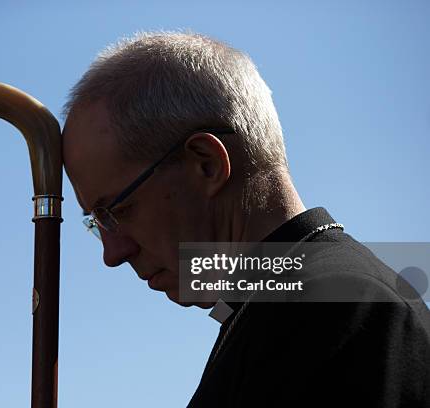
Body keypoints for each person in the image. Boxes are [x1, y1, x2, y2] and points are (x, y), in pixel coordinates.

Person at [62, 31, 430, 407]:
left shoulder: (330, 310)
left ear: (206, 164)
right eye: (97, 223)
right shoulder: (277, 307)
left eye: (118, 211)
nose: (113, 253)